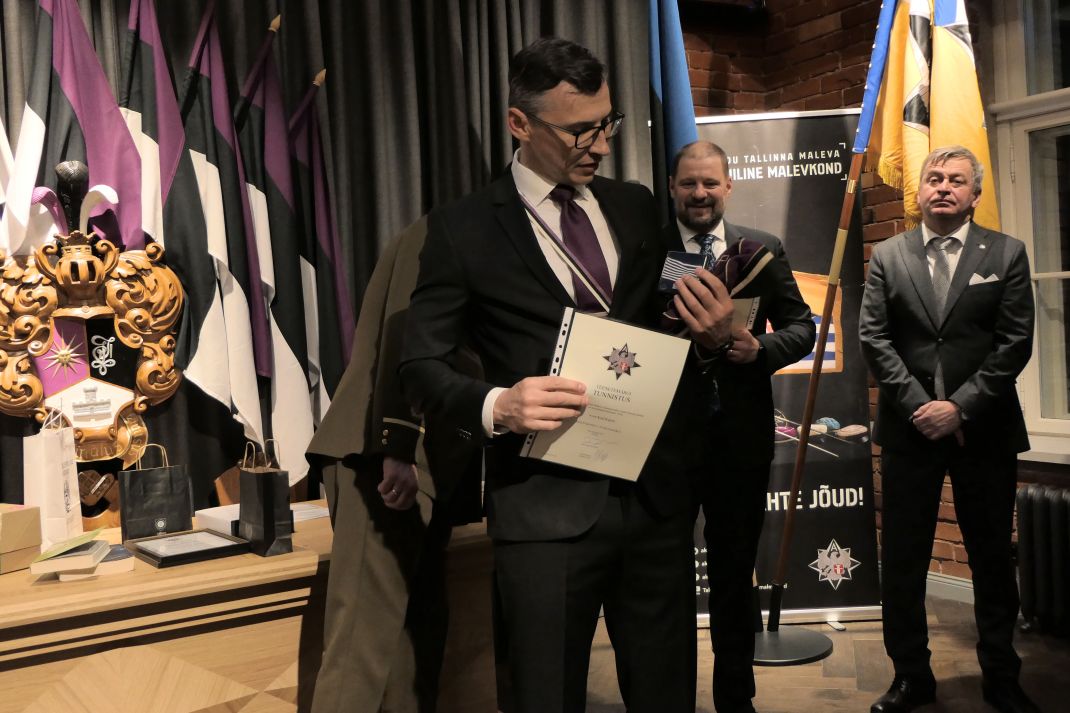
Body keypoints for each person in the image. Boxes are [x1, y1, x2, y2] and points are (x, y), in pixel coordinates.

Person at [400, 37, 734, 713]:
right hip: (543, 512)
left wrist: (711, 336)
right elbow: (420, 364)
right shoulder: (461, 230)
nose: (601, 144)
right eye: (581, 130)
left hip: (654, 501)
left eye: (608, 123)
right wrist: (498, 404)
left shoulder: (636, 205)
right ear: (519, 124)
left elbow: (665, 321)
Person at [859, 146, 1038, 713]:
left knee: (991, 560)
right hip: (909, 432)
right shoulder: (889, 255)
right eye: (934, 178)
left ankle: (1002, 677)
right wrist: (923, 408)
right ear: (920, 190)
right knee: (903, 560)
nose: (943, 187)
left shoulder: (1006, 253)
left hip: (985, 431)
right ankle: (911, 676)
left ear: (974, 194)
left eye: (956, 180)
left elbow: (1015, 342)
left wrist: (960, 408)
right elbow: (874, 338)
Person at [664, 140, 816, 713]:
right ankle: (670, 696)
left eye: (710, 183)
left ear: (728, 186)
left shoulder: (761, 249)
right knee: (666, 580)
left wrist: (761, 350)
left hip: (740, 443)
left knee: (733, 576)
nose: (699, 193)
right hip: (664, 443)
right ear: (673, 187)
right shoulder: (648, 249)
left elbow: (801, 327)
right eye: (688, 183)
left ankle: (736, 698)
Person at [309, 216, 483, 713]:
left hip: (431, 462)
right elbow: (406, 328)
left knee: (415, 648)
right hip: (381, 457)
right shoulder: (448, 229)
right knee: (360, 653)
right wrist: (399, 444)